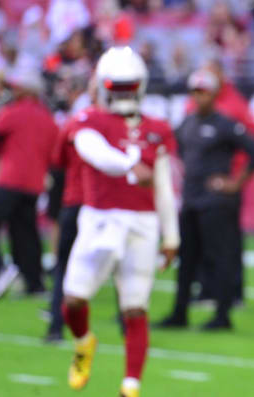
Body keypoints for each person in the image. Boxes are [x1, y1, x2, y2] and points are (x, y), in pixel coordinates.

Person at [60, 47, 179, 397]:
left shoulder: (156, 128)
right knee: (73, 301)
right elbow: (92, 151)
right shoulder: (89, 119)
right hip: (99, 219)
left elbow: (164, 188)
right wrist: (130, 161)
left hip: (142, 224)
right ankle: (84, 342)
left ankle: (131, 386)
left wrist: (171, 236)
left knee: (135, 307)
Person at [155, 68, 254, 330]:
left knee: (220, 258)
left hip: (215, 202)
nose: (199, 97)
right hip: (191, 200)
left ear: (214, 94)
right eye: (195, 91)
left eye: (203, 91)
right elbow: (176, 151)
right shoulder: (187, 124)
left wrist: (235, 183)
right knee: (187, 259)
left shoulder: (225, 125)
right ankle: (179, 312)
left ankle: (222, 315)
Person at [0, 66, 58, 299]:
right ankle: (35, 283)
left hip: (11, 179)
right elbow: (54, 153)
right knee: (26, 232)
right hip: (34, 184)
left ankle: (0, 270)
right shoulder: (47, 117)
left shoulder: (12, 112)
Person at [44, 77, 96, 342]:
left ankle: (55, 325)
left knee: (64, 266)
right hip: (103, 208)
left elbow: (58, 161)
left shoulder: (74, 123)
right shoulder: (116, 125)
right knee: (122, 269)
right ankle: (127, 326)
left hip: (75, 203)